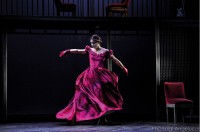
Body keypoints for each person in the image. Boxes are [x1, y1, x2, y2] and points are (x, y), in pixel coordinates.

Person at [56, 34, 128, 124]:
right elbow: (78, 51)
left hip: (100, 76)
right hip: (90, 76)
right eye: (91, 43)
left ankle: (102, 117)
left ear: (98, 42)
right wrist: (68, 51)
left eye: (94, 43)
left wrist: (123, 67)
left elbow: (115, 60)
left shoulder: (105, 51)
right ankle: (78, 115)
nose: (92, 45)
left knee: (101, 95)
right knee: (86, 96)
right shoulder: (89, 50)